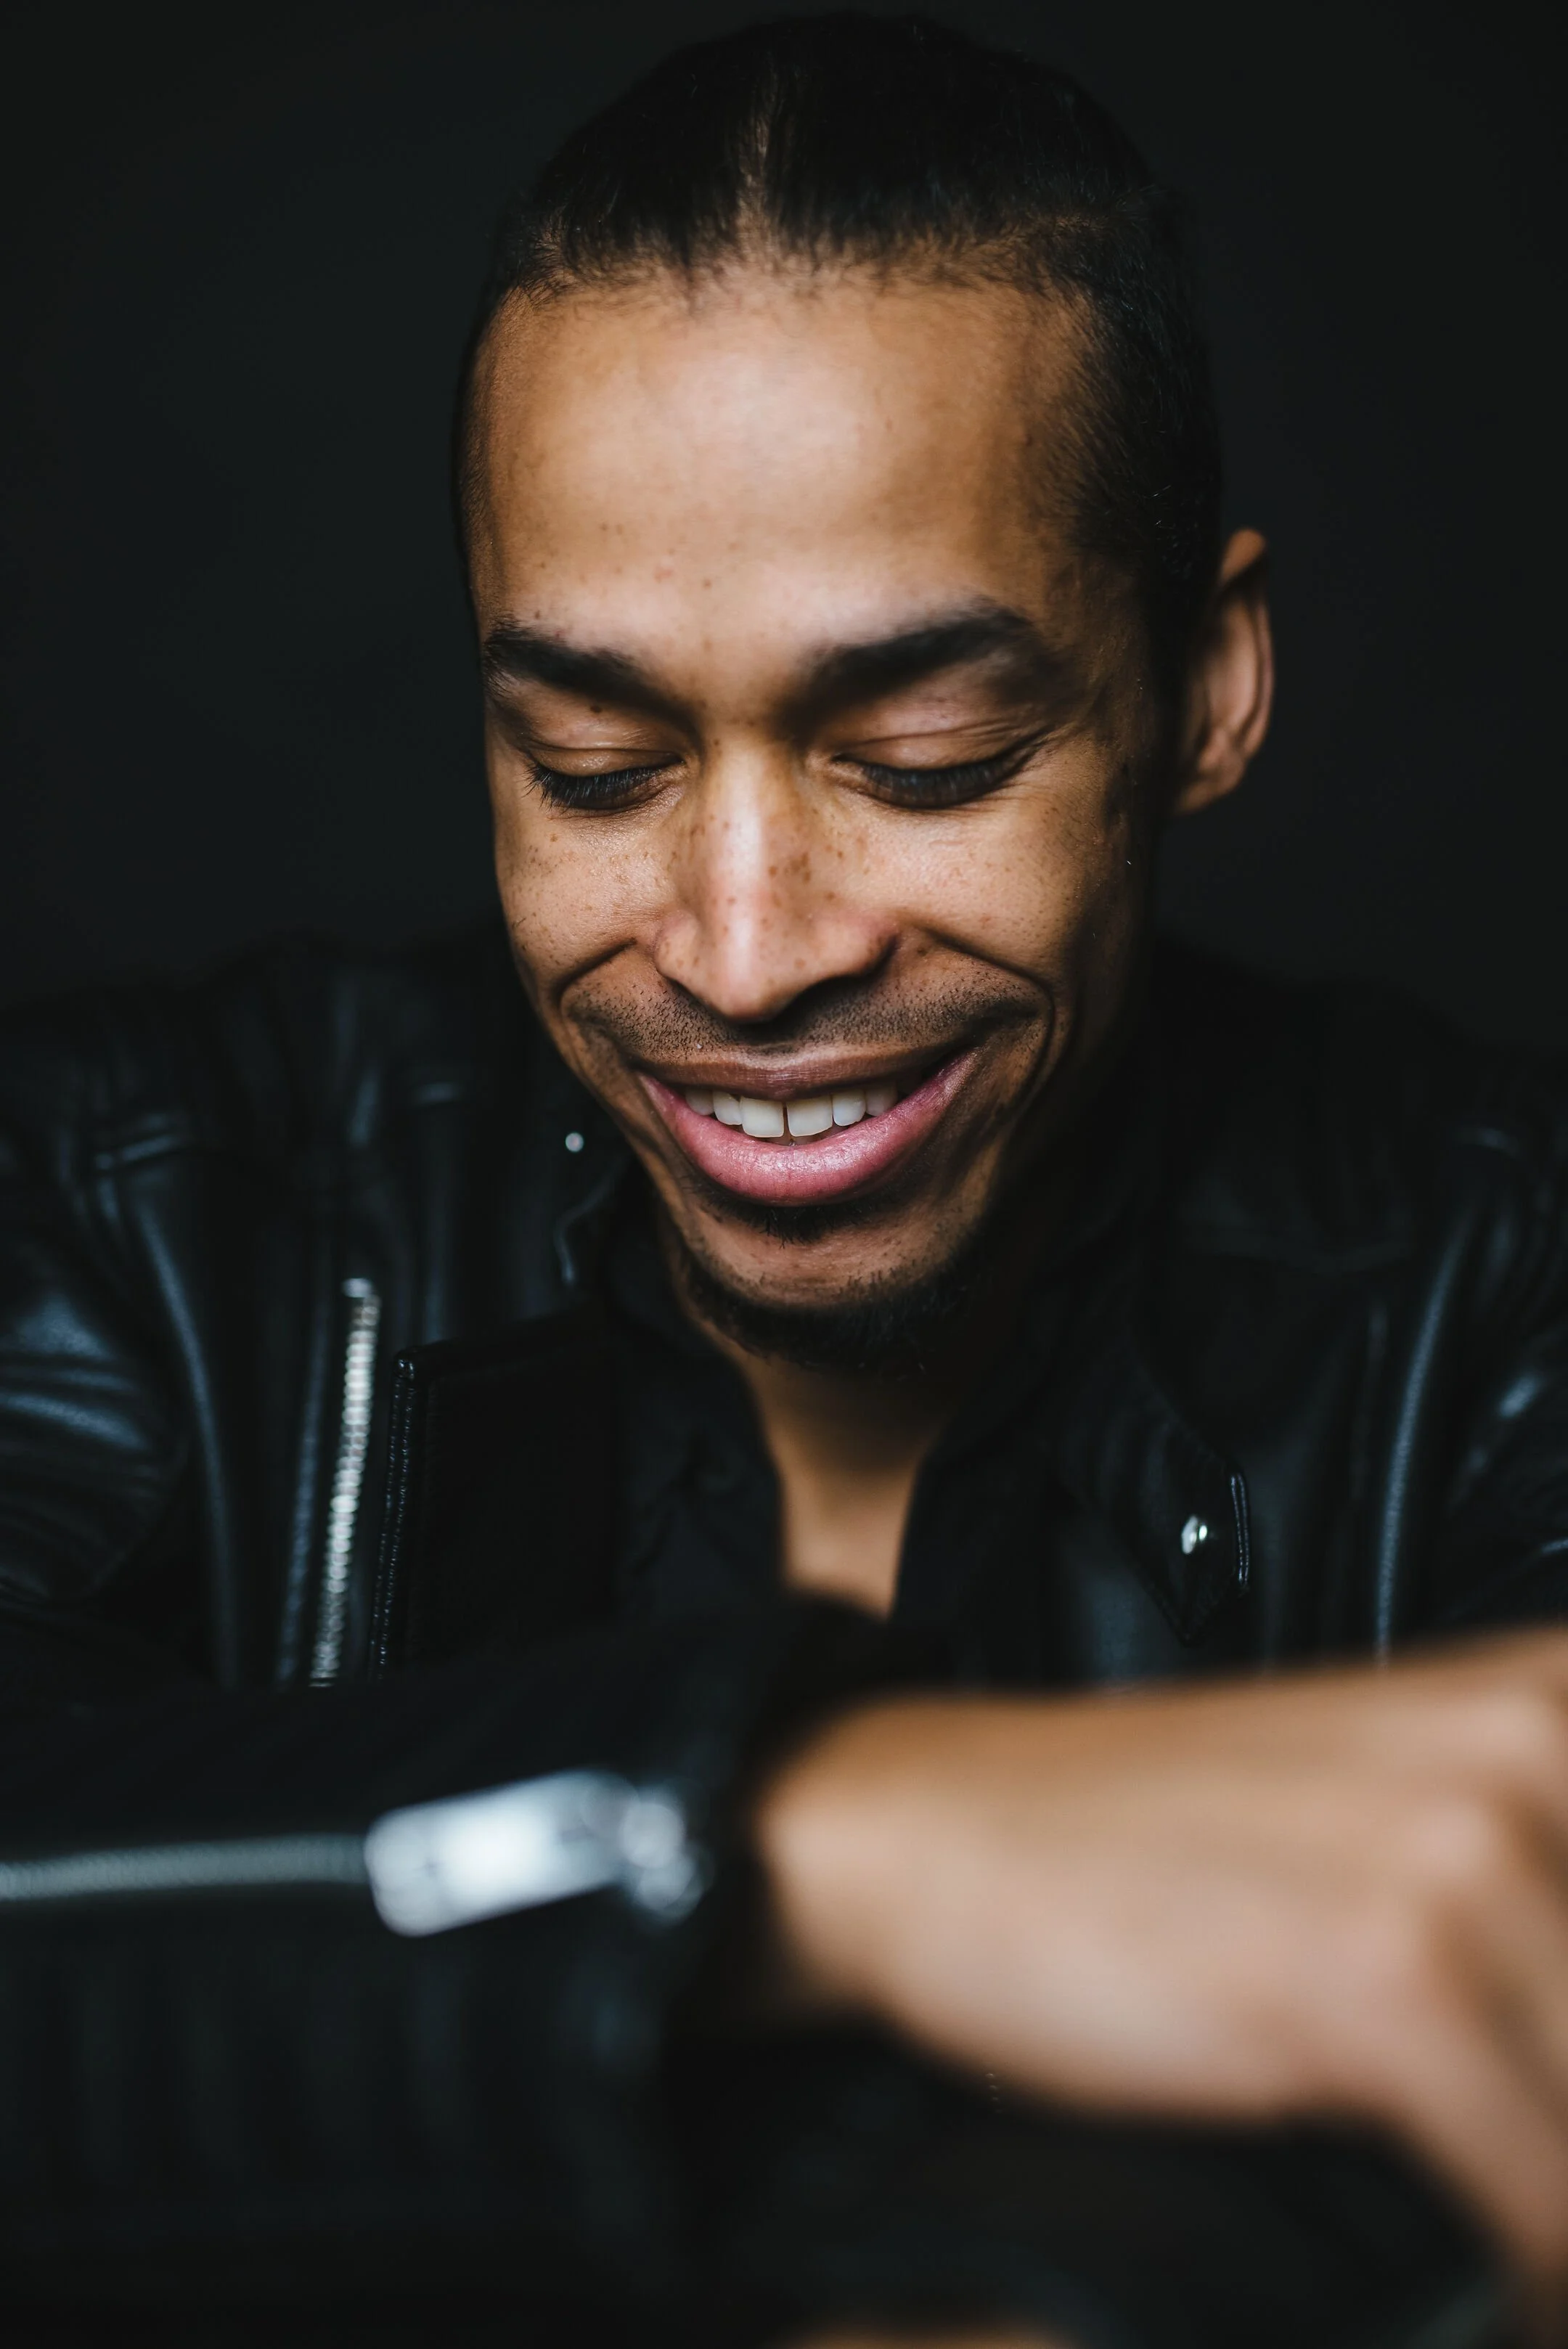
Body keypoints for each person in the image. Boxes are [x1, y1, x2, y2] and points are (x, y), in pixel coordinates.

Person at [1, 14, 1564, 2346]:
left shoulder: (1505, 1278)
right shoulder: (128, 1205)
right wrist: (801, 1835)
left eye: (928, 757)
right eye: (597, 764)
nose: (745, 951)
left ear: (1208, 691)